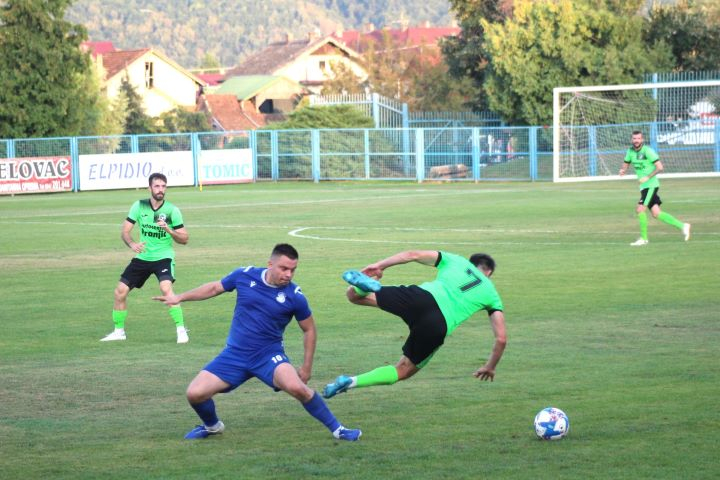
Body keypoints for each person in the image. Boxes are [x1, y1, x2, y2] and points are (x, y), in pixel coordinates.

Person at [153, 243, 362, 441]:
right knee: (195, 394)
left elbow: (309, 329)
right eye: (284, 268)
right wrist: (180, 297)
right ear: (270, 264)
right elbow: (215, 288)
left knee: (298, 388)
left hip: (268, 356)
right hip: (234, 355)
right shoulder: (244, 275)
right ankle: (213, 427)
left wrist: (306, 367)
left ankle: (339, 430)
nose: (288, 274)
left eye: (293, 270)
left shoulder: (294, 296)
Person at [322, 250, 507, 399]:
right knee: (403, 370)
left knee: (354, 296)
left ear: (471, 262)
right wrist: (490, 367)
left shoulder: (457, 260)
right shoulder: (492, 294)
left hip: (419, 297)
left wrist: (379, 265)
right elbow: (501, 339)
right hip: (437, 325)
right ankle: (350, 381)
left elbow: (412, 255)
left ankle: (363, 286)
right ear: (489, 272)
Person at [101, 172, 190, 343]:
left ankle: (181, 330)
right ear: (149, 188)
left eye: (163, 186)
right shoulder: (139, 206)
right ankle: (119, 332)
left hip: (163, 257)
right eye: (157, 186)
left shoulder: (172, 210)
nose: (160, 190)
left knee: (166, 288)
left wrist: (170, 230)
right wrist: (132, 244)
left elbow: (185, 239)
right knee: (119, 292)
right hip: (143, 257)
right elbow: (125, 231)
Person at [619, 130, 691, 246]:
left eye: (638, 138)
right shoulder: (630, 151)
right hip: (644, 187)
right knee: (656, 213)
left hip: (651, 185)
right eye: (634, 139)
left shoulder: (648, 151)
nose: (636, 141)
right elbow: (626, 162)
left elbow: (660, 167)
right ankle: (683, 226)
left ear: (642, 140)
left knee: (640, 209)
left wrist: (647, 177)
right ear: (631, 140)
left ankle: (644, 239)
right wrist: (623, 170)